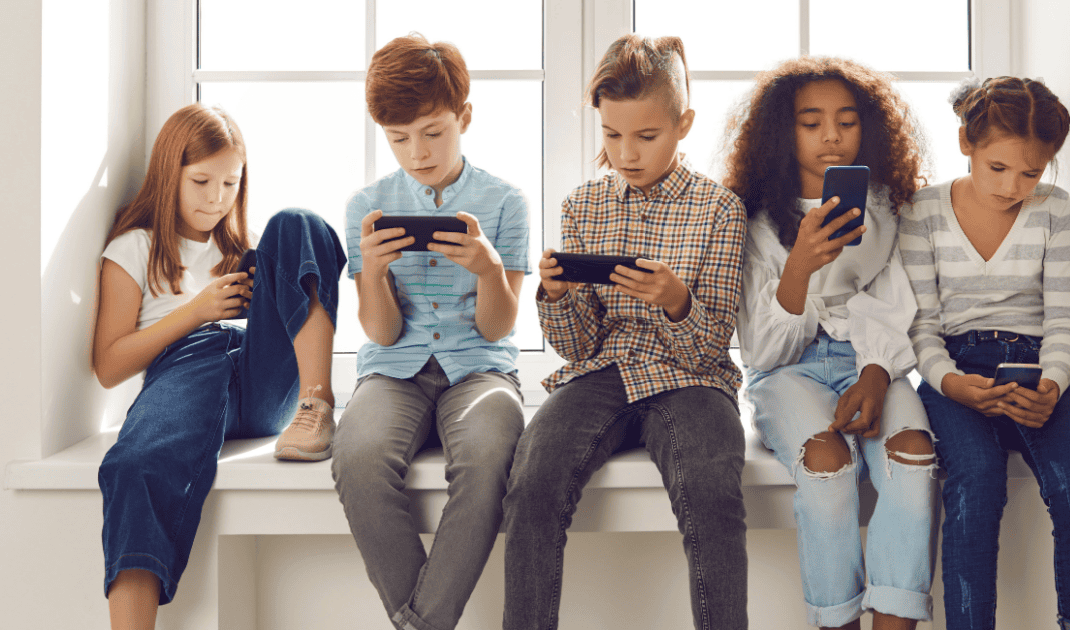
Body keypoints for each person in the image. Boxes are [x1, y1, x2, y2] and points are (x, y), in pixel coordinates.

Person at [502, 34, 749, 630]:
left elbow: (710, 346)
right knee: (532, 482)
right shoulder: (583, 205)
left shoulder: (719, 210)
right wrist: (557, 295)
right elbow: (577, 346)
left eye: (646, 136)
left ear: (683, 124)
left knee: (713, 493)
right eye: (612, 136)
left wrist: (676, 301)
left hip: (693, 378)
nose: (625, 153)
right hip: (603, 370)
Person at [93, 102, 346, 629]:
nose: (216, 198)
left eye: (230, 184)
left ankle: (318, 403)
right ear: (170, 175)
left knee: (298, 224)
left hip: (262, 377)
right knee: (133, 465)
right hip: (185, 367)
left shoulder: (243, 250)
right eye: (202, 181)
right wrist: (195, 312)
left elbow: (283, 293)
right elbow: (109, 365)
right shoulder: (134, 248)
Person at [899, 76, 1070, 630]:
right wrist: (950, 383)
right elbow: (921, 327)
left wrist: (1053, 385)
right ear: (965, 146)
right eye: (998, 168)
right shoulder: (923, 212)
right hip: (952, 369)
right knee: (975, 484)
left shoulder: (1055, 210)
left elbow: (1064, 319)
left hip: (1039, 367)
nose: (1013, 186)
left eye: (1032, 172)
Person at [724, 57, 938, 630]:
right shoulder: (751, 221)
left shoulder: (887, 209)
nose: (831, 136)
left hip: (872, 362)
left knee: (913, 455)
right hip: (789, 371)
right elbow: (764, 353)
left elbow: (897, 300)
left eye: (846, 120)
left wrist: (874, 371)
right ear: (781, 131)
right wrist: (798, 267)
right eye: (810, 121)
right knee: (826, 466)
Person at [329, 33, 531, 630]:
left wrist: (490, 269)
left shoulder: (504, 202)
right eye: (398, 138)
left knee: (492, 455)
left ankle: (420, 623)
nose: (416, 152)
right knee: (357, 458)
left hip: (480, 366)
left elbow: (499, 325)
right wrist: (375, 274)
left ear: (463, 118)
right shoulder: (367, 205)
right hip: (393, 369)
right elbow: (381, 334)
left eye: (433, 132)